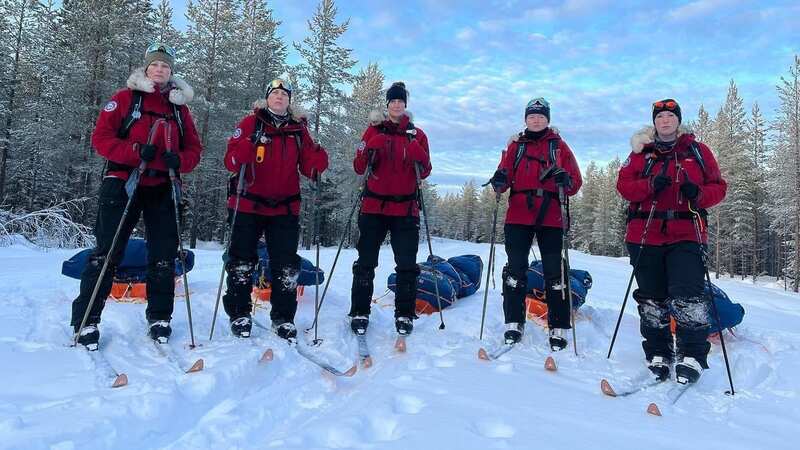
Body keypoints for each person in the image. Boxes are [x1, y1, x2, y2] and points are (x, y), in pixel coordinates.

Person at [70, 43, 203, 349]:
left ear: (171, 73)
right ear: (146, 69)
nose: (160, 70)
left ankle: (159, 317)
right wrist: (133, 151)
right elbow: (101, 139)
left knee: (163, 256)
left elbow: (194, 149)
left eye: (165, 67)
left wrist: (179, 161)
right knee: (107, 253)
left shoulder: (179, 109)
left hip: (164, 185)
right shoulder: (125, 99)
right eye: (155, 65)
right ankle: (86, 320)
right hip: (124, 182)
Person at [617, 98, 727, 384]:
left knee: (687, 294)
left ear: (678, 120)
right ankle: (658, 351)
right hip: (644, 234)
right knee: (652, 297)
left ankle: (692, 354)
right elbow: (624, 186)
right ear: (654, 122)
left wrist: (698, 194)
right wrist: (649, 186)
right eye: (660, 117)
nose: (665, 121)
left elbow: (718, 187)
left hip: (687, 232)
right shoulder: (640, 153)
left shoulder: (698, 151)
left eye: (670, 116)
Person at [222, 79, 328, 340]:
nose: (279, 97)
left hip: (284, 207)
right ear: (267, 98)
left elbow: (309, 166)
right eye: (275, 93)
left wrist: (318, 158)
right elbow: (231, 160)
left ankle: (283, 318)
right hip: (248, 202)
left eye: (284, 94)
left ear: (289, 100)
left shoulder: (298, 129)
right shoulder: (251, 123)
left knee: (286, 266)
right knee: (241, 262)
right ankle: (240, 313)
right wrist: (243, 150)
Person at [488, 98, 582, 350]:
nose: (536, 120)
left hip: (550, 215)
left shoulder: (559, 146)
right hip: (518, 215)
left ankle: (559, 325)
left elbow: (575, 183)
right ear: (525, 119)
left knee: (555, 272)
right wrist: (499, 179)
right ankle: (513, 321)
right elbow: (503, 178)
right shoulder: (515, 146)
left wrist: (565, 179)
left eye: (540, 116)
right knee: (515, 270)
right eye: (532, 116)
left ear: (547, 119)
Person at [349, 82, 431, 337]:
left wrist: (414, 148)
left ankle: (404, 314)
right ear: (387, 104)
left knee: (406, 265)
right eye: (393, 101)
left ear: (405, 105)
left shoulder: (417, 135)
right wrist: (372, 145)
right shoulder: (373, 130)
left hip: (406, 209)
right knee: (365, 262)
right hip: (374, 206)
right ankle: (360, 311)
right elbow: (359, 166)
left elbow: (426, 170)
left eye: (400, 101)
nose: (397, 105)